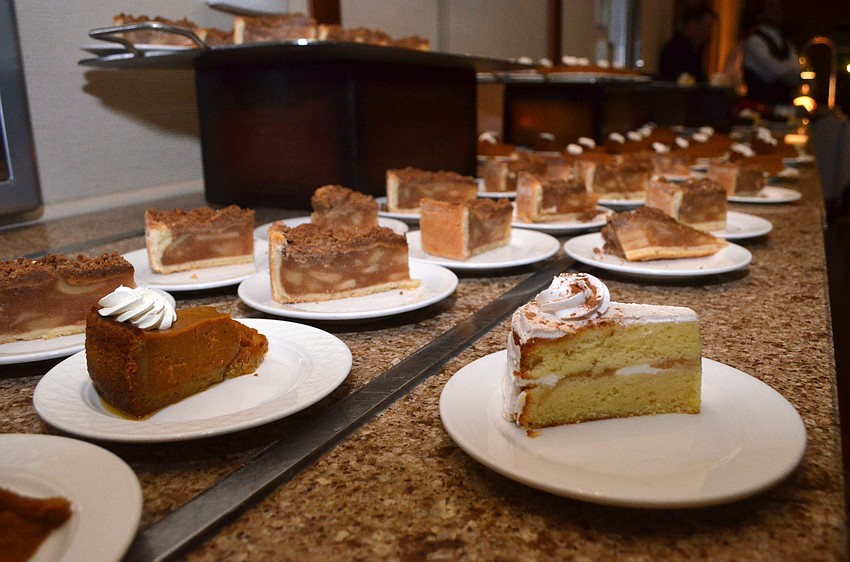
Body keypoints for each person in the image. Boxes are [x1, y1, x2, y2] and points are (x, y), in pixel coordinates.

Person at [740, 0, 801, 105]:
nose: (778, 11)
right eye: (772, 7)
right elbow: (774, 70)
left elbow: (797, 73)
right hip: (759, 108)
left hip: (782, 107)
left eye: (779, 7)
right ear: (760, 14)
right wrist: (789, 68)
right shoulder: (753, 41)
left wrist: (783, 69)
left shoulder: (786, 42)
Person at [658, 6, 716, 83]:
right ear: (691, 24)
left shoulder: (694, 50)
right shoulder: (678, 50)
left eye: (708, 28)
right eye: (702, 25)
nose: (706, 32)